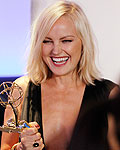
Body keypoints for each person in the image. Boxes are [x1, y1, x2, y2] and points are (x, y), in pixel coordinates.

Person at [1, 1, 119, 150]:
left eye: (66, 40)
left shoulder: (110, 94)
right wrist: (20, 148)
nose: (56, 51)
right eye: (47, 41)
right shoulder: (20, 89)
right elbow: (5, 146)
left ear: (83, 43)